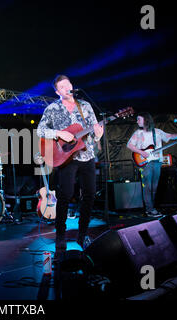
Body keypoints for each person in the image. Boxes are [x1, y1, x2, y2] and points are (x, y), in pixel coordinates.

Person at [37, 75, 103, 250]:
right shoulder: (52, 109)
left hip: (86, 155)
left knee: (89, 195)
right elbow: (40, 130)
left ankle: (82, 235)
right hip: (66, 158)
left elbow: (95, 129)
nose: (68, 88)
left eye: (69, 85)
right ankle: (60, 235)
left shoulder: (86, 106)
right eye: (63, 86)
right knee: (65, 196)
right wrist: (59, 133)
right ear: (58, 91)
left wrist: (98, 134)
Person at [127, 113, 177, 217]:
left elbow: (170, 136)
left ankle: (151, 208)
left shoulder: (157, 132)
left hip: (157, 162)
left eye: (138, 119)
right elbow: (129, 145)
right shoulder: (138, 133)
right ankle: (150, 209)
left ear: (145, 120)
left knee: (154, 187)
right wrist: (141, 152)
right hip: (146, 163)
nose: (137, 121)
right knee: (148, 187)